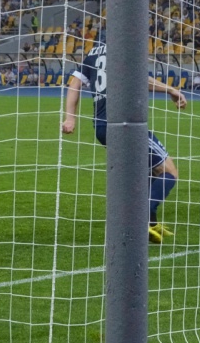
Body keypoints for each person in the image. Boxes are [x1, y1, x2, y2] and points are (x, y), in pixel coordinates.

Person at [61, 42, 187, 243]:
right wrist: (171, 90)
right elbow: (141, 80)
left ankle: (151, 222)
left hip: (102, 127)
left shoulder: (93, 52)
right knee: (169, 172)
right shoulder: (126, 46)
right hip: (126, 125)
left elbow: (74, 83)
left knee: (144, 171)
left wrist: (70, 118)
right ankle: (141, 218)